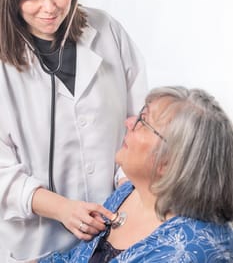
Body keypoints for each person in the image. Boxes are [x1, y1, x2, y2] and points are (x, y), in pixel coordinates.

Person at [0, 0, 147, 262]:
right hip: (33, 245)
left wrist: (127, 186)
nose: (49, 8)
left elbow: (138, 122)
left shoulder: (107, 32)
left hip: (111, 231)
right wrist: (62, 209)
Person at [46, 86, 233, 262]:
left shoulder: (187, 252)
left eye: (143, 121)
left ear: (169, 161)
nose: (128, 123)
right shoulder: (129, 192)